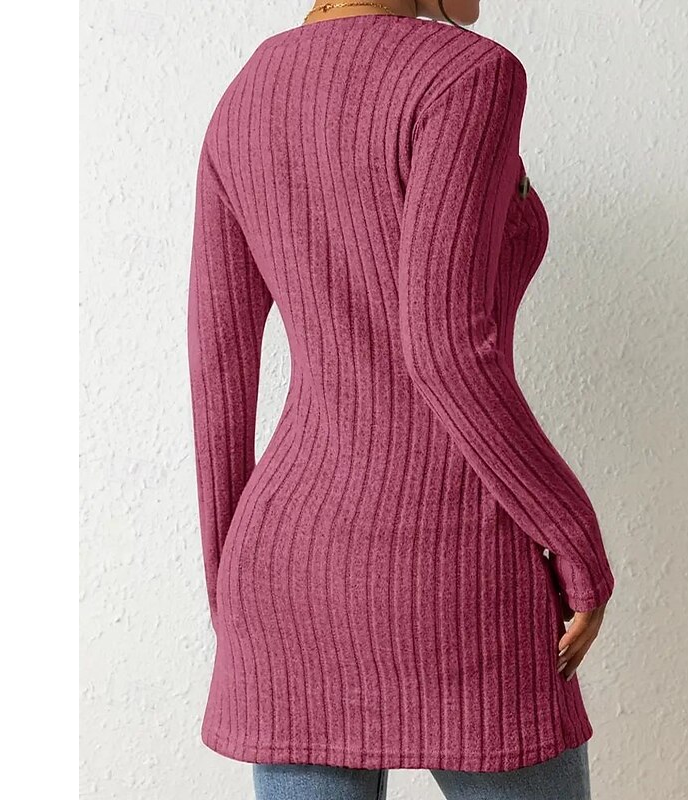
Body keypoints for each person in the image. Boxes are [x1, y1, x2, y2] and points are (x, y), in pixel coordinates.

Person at [186, 1, 616, 798]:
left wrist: (226, 587)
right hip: (457, 566)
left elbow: (217, 365)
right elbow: (445, 348)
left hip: (284, 572)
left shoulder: (243, 95)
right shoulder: (468, 76)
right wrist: (573, 536)